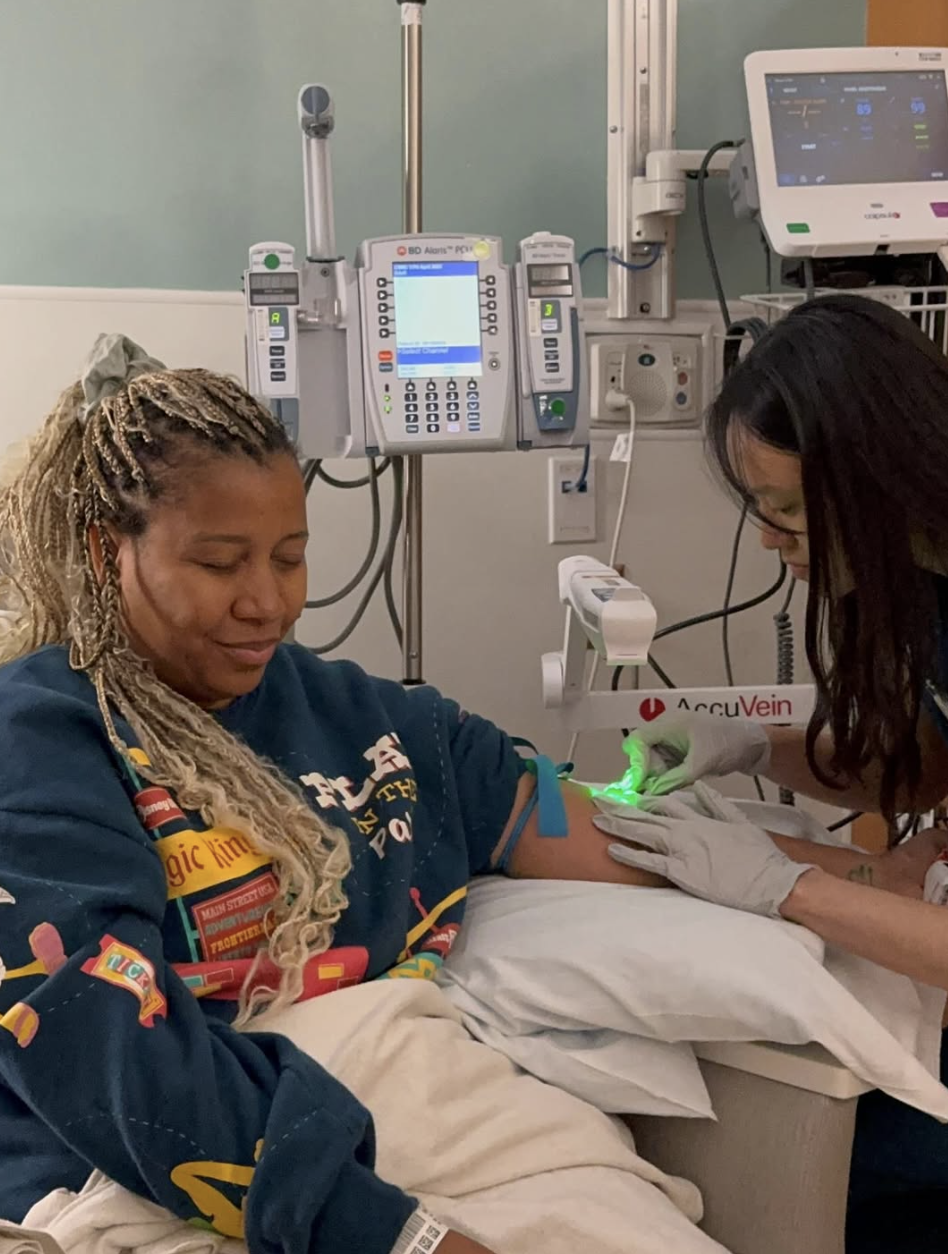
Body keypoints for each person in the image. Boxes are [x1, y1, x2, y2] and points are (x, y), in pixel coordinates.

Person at [0, 334, 932, 1254]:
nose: (267, 604)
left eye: (289, 557)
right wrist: (405, 1239)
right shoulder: (47, 740)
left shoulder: (364, 719)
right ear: (105, 550)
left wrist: (844, 875)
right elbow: (117, 1065)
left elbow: (578, 827)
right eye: (218, 563)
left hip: (407, 1102)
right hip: (153, 1165)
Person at [604, 293, 948, 1252]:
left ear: (882, 476)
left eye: (789, 510)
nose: (769, 539)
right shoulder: (927, 577)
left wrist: (784, 886)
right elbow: (922, 766)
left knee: (830, 1153)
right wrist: (753, 745)